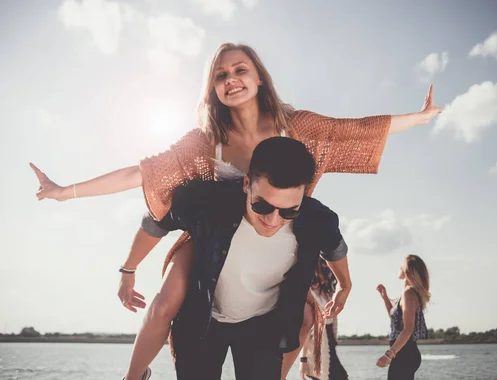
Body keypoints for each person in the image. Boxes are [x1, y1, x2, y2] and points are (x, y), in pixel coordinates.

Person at [30, 42, 441, 379]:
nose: (231, 80)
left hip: (282, 234)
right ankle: (133, 377)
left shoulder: (298, 126)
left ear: (259, 76)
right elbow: (141, 173)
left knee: (298, 316)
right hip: (213, 238)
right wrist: (66, 192)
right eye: (221, 76)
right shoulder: (206, 142)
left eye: (240, 70)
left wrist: (420, 119)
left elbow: (357, 131)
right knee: (165, 302)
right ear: (213, 90)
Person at [142, 136, 350, 379]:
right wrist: (128, 269)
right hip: (202, 320)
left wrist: (345, 285)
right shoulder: (208, 200)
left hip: (262, 325)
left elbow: (335, 248)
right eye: (262, 206)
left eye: (288, 211)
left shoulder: (317, 219)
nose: (272, 221)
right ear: (247, 184)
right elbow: (157, 220)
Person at [375, 255, 431, 380]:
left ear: (407, 270)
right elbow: (396, 320)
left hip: (405, 353)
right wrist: (385, 298)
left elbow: (408, 329)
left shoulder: (409, 293)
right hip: (404, 352)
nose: (399, 267)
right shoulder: (407, 293)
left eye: (401, 266)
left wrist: (389, 354)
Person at [299, 259, 348, 380]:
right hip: (318, 354)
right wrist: (303, 361)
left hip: (330, 349)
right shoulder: (309, 294)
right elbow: (306, 329)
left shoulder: (329, 294)